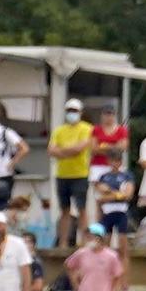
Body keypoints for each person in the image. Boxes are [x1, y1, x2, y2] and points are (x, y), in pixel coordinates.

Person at [48, 98, 95, 247]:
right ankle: (63, 242)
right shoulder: (59, 130)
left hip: (80, 174)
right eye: (69, 111)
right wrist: (69, 151)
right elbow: (51, 150)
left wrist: (62, 151)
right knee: (64, 210)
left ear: (80, 112)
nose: (71, 114)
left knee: (81, 208)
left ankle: (84, 242)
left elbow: (79, 149)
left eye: (74, 111)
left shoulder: (87, 128)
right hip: (62, 174)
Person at [65, 223, 123, 291]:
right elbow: (69, 266)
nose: (88, 239)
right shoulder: (81, 253)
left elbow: (118, 277)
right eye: (87, 236)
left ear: (99, 238)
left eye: (91, 236)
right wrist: (75, 284)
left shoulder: (111, 256)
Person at [93, 148, 135, 260]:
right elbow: (100, 197)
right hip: (107, 212)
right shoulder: (104, 177)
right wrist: (118, 195)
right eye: (112, 161)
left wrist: (111, 193)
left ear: (120, 162)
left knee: (123, 248)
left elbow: (128, 195)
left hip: (122, 212)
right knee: (105, 247)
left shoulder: (127, 175)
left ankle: (124, 276)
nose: (114, 164)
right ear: (108, 161)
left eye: (117, 161)